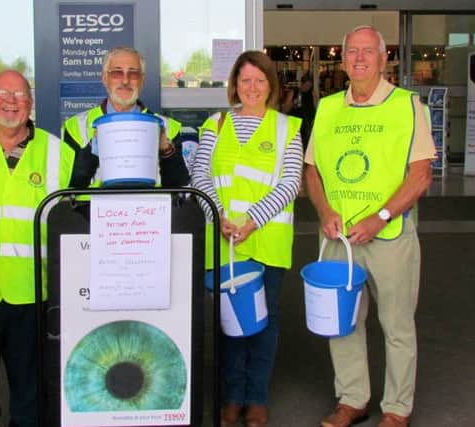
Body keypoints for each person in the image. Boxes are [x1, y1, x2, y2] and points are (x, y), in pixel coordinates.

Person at [304, 26, 435, 427]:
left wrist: (380, 219)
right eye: (352, 52)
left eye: (368, 52)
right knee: (342, 322)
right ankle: (353, 399)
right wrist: (325, 212)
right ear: (342, 61)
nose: (359, 58)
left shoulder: (408, 105)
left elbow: (420, 174)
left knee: (396, 325)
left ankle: (397, 408)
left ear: (383, 59)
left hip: (389, 235)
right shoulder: (326, 108)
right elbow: (313, 171)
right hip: (337, 237)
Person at [191, 50, 303, 427]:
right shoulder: (216, 124)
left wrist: (253, 220)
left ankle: (257, 399)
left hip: (265, 239)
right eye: (244, 80)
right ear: (234, 85)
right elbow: (200, 176)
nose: (252, 87)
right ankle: (232, 397)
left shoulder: (287, 128)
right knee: (230, 324)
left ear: (270, 85)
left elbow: (290, 183)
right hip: (225, 239)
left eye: (259, 80)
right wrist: (218, 215)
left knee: (264, 322)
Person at [0, 69, 71, 427]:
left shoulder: (57, 151)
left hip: (32, 292)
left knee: (31, 391)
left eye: (21, 95)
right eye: (2, 94)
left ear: (32, 103)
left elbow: (80, 215)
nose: (11, 102)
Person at [62, 46, 188, 188]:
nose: (125, 81)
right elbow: (70, 184)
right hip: (90, 209)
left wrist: (166, 152)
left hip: (150, 208)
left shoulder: (167, 127)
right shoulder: (77, 126)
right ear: (104, 79)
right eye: (117, 73)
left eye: (133, 74)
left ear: (142, 80)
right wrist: (93, 148)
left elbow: (179, 187)